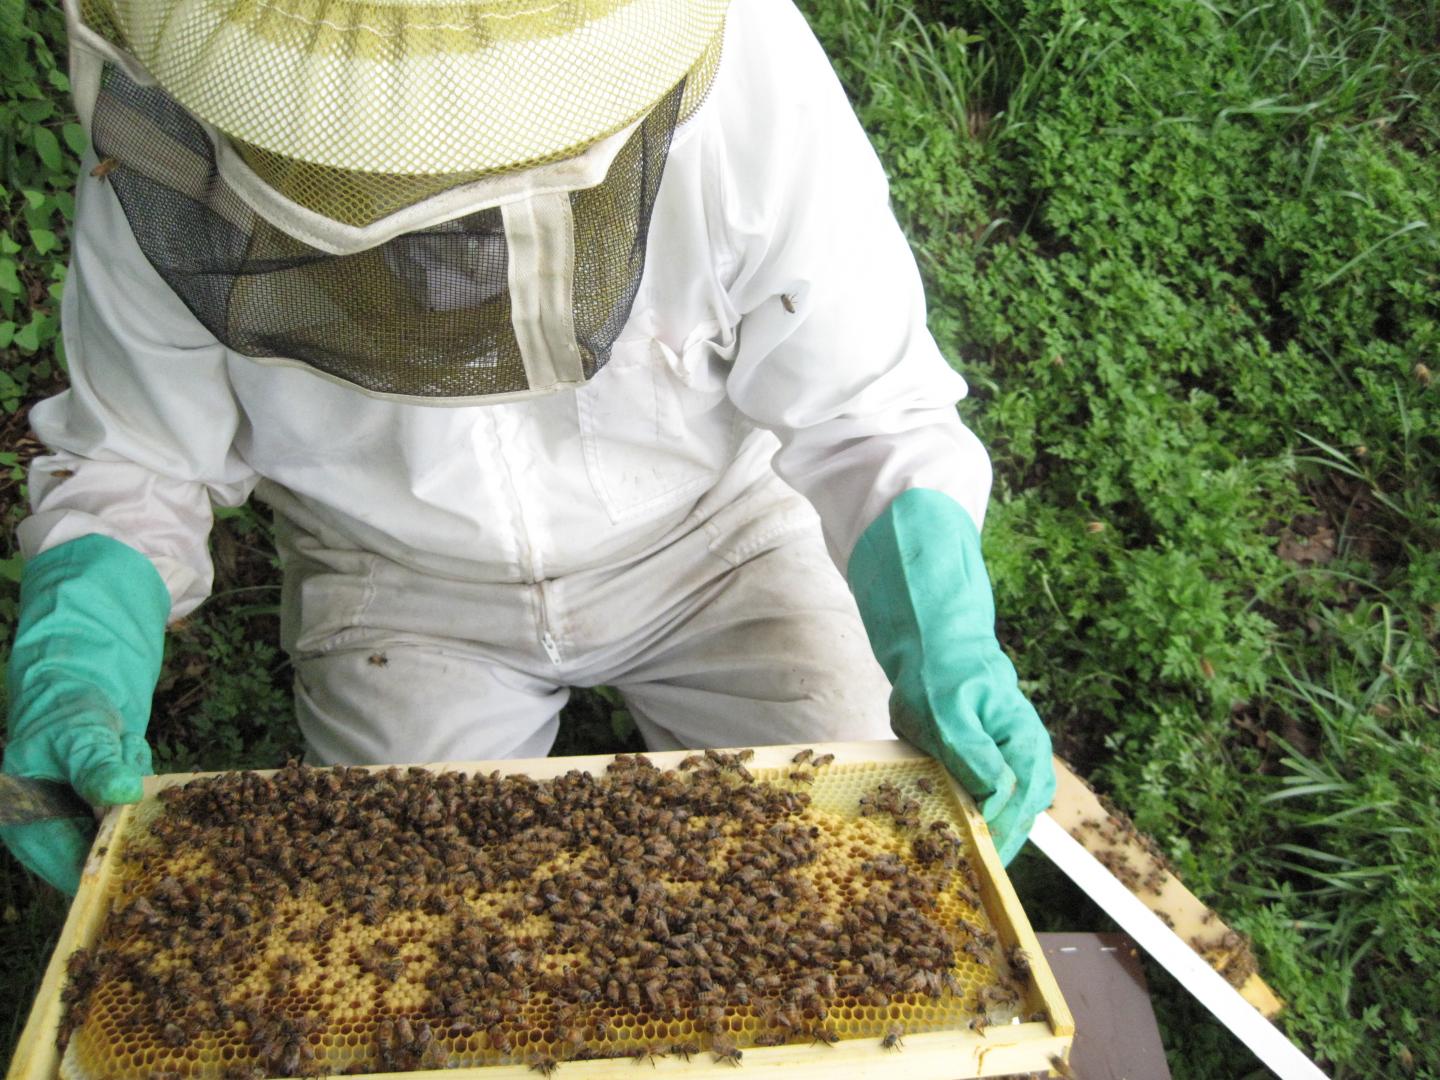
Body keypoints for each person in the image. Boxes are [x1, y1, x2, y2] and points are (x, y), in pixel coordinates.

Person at [1, 0, 1054, 895]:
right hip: (396, 585)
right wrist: (78, 666)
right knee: (409, 929)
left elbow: (865, 404)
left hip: (718, 541)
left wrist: (941, 632)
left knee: (855, 871)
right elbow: (135, 457)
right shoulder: (169, 145)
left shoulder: (746, 72)